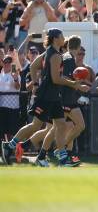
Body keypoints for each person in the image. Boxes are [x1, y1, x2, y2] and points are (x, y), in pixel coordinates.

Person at [1, 28, 89, 166]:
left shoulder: (51, 52)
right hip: (47, 96)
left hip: (54, 97)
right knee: (36, 125)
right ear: (55, 39)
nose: (63, 38)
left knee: (60, 126)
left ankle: (62, 158)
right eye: (61, 36)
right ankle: (10, 145)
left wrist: (35, 83)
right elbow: (55, 79)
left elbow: (34, 66)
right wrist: (75, 84)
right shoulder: (55, 55)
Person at [58, 35, 87, 165]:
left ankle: (65, 155)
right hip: (67, 98)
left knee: (67, 127)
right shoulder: (69, 58)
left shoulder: (67, 57)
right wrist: (79, 85)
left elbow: (68, 79)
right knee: (79, 126)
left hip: (67, 98)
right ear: (79, 47)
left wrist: (79, 85)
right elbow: (66, 79)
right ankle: (60, 151)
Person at [0, 55, 21, 140]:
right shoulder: (0, 74)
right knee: (2, 130)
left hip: (13, 106)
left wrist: (16, 79)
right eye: (5, 62)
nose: (7, 64)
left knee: (12, 130)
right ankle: (4, 149)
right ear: (3, 63)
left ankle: (11, 148)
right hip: (2, 106)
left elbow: (17, 87)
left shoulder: (15, 74)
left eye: (9, 62)